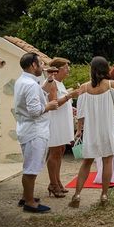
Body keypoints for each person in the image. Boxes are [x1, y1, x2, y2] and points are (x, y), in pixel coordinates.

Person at [70, 57, 114, 208]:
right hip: (108, 128)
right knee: (107, 160)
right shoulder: (111, 84)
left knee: (86, 162)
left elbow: (80, 113)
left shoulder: (84, 87)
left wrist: (80, 130)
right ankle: (104, 195)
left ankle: (77, 194)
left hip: (92, 130)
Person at [13, 53, 60, 213]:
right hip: (34, 131)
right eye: (40, 63)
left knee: (29, 165)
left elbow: (37, 94)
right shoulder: (30, 84)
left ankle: (27, 196)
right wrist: (49, 106)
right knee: (31, 168)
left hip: (26, 128)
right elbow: (34, 111)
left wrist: (50, 79)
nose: (42, 66)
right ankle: (30, 202)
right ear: (33, 65)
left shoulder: (23, 80)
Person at [46, 57, 77, 197]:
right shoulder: (52, 84)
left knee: (61, 150)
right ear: (57, 70)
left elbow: (63, 103)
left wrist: (71, 108)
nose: (68, 70)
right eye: (66, 67)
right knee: (55, 152)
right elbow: (54, 103)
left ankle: (57, 181)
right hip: (55, 122)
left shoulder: (60, 84)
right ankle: (53, 183)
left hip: (63, 121)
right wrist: (70, 96)